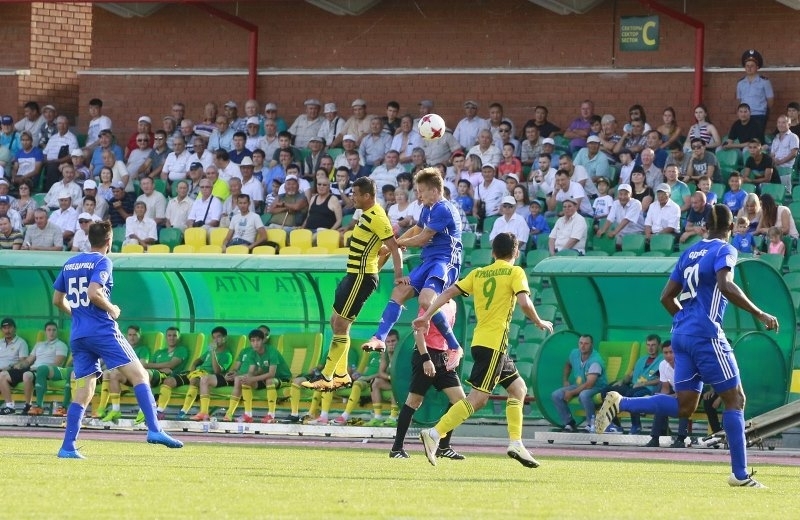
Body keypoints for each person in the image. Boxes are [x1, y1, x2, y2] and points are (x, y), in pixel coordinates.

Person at [596, 204, 778, 488]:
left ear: (704, 226)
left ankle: (621, 402)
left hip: (681, 334)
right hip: (706, 335)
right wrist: (760, 313)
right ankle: (740, 474)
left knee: (685, 406)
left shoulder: (689, 252)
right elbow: (726, 285)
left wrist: (684, 321)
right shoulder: (725, 250)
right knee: (735, 400)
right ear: (731, 228)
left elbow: (666, 297)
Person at [415, 232, 553, 468]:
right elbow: (523, 302)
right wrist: (539, 321)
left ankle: (516, 443)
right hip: (494, 344)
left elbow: (447, 293)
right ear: (516, 252)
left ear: (493, 252)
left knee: (518, 388)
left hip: (482, 342)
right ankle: (435, 433)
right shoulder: (515, 272)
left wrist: (426, 315)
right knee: (478, 400)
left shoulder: (479, 273)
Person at [51, 220, 182, 458]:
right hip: (102, 331)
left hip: (78, 334)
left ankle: (67, 447)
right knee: (140, 375)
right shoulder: (103, 261)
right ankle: (154, 429)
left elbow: (57, 301)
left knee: (84, 391)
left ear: (88, 239)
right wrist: (112, 308)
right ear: (109, 241)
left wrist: (78, 315)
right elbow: (94, 293)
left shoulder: (70, 263)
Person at [301, 177, 403, 392]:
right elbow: (380, 249)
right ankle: (341, 374)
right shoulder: (365, 214)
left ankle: (328, 376)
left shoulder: (378, 217)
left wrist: (398, 276)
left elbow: (394, 248)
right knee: (335, 322)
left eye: (355, 194)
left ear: (367, 195)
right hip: (353, 275)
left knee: (340, 324)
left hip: (362, 278)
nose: (352, 197)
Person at [359, 169, 463, 360]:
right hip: (428, 261)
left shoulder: (443, 209)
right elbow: (416, 230)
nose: (418, 195)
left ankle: (454, 346)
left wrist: (395, 245)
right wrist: (393, 245)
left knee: (425, 300)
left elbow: (422, 238)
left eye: (421, 191)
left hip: (446, 262)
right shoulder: (427, 208)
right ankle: (379, 338)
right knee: (399, 291)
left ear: (434, 191)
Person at [387, 301, 467, 459]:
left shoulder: (453, 304)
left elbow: (447, 332)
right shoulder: (430, 300)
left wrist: (450, 352)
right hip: (426, 355)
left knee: (460, 401)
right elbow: (418, 332)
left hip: (443, 357)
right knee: (414, 402)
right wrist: (425, 359)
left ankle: (443, 446)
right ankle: (396, 448)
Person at [220, 328, 291, 424]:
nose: (255, 343)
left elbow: (271, 374)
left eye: (258, 340)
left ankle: (271, 415)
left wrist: (252, 378)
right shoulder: (252, 353)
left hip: (283, 378)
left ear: (263, 340)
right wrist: (244, 377)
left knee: (269, 380)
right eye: (253, 341)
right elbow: (251, 371)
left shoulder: (272, 351)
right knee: (243, 380)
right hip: (264, 378)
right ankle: (247, 415)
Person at [599, 334, 663, 434]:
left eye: (653, 345)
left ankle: (636, 426)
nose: (650, 348)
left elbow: (661, 379)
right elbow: (630, 375)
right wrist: (622, 381)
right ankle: (616, 425)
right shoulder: (641, 360)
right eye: (648, 345)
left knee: (632, 395)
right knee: (606, 391)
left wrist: (643, 384)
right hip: (632, 386)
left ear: (659, 345)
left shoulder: (662, 360)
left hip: (647, 388)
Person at [550, 334, 606, 432]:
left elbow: (589, 384)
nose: (583, 346)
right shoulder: (574, 353)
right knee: (556, 395)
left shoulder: (595, 361)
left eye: (586, 344)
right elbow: (568, 364)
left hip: (597, 387)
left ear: (591, 345)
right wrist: (565, 380)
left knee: (584, 395)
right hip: (579, 385)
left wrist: (571, 393)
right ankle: (569, 423)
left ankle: (591, 424)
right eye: (581, 343)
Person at [643, 340, 690, 448]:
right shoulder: (663, 365)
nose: (668, 355)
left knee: (684, 404)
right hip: (676, 392)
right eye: (665, 353)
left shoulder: (685, 364)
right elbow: (665, 388)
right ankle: (655, 438)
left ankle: (681, 439)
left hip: (692, 393)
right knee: (661, 402)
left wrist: (671, 397)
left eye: (671, 352)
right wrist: (661, 398)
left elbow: (684, 392)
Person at [737, 50, 773, 136]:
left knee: (757, 140)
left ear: (757, 67)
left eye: (752, 66)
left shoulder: (764, 82)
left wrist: (764, 111)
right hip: (744, 116)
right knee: (745, 138)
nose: (749, 68)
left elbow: (770, 101)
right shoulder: (740, 83)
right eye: (747, 66)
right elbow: (739, 101)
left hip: (759, 115)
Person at [595, 183, 644, 248]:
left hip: (636, 234)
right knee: (604, 240)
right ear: (618, 194)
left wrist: (614, 232)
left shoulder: (636, 203)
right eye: (620, 194)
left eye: (626, 194)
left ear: (631, 194)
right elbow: (610, 219)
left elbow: (626, 220)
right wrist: (603, 230)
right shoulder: (615, 203)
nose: (622, 197)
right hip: (621, 234)